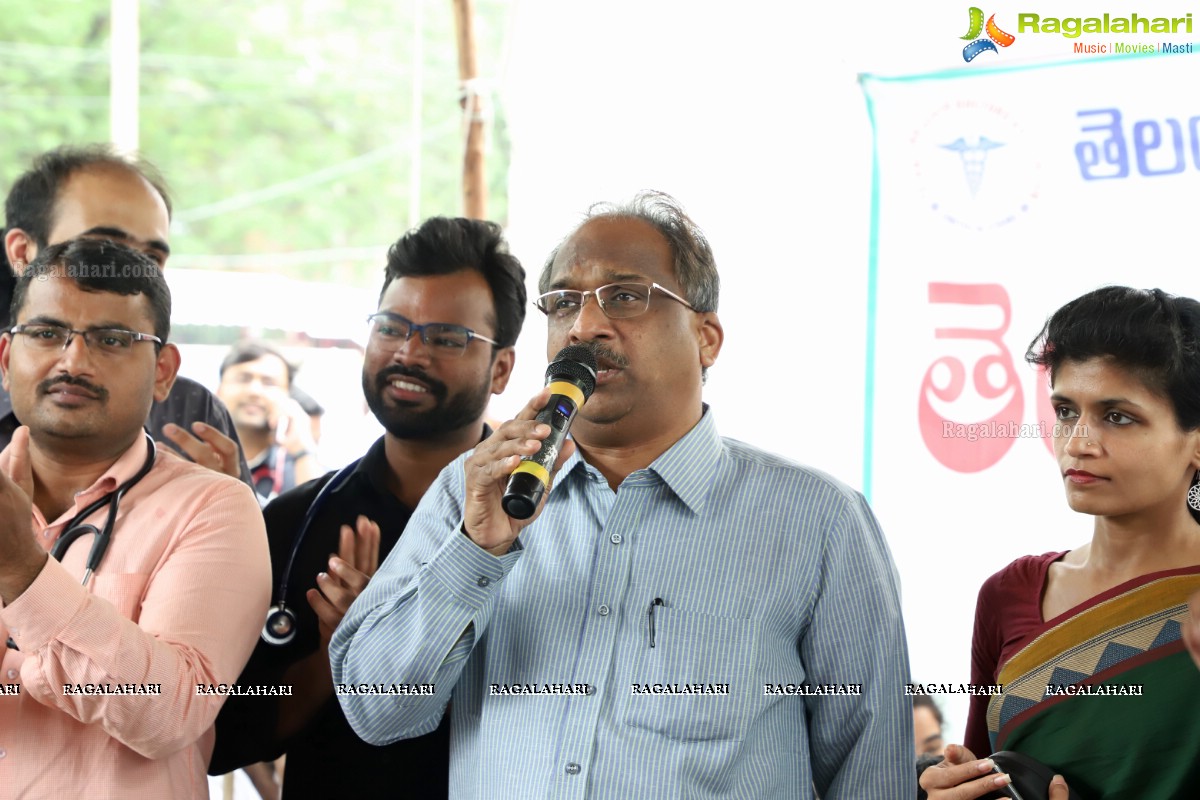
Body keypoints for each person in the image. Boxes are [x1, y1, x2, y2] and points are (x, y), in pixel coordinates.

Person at [330, 191, 912, 798]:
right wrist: (475, 552)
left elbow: (870, 771)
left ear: (707, 337)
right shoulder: (473, 492)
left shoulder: (819, 521)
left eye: (626, 297)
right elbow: (378, 714)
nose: (584, 326)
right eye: (562, 304)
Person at [210, 216, 525, 799]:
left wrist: (401, 636)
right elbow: (227, 735)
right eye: (392, 327)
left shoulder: (549, 517)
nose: (409, 353)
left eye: (446, 337)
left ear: (500, 368)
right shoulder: (294, 522)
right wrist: (336, 656)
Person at [0, 238, 270, 796]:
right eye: (47, 334)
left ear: (165, 371)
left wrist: (23, 571)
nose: (72, 361)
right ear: (6, 359)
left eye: (112, 339)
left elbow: (169, 711)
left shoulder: (214, 508)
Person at [921, 286, 1200, 799]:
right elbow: (986, 775)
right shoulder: (1008, 594)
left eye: (1117, 417)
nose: (1077, 444)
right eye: (1066, 411)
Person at [1, 144, 251, 482]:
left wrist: (220, 505)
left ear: (164, 371)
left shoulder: (191, 416)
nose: (131, 275)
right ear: (23, 253)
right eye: (101, 250)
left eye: (151, 258)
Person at [216, 341, 322, 504]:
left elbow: (319, 519)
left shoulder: (300, 466)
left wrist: (303, 451)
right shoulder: (192, 457)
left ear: (288, 397)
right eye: (243, 379)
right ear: (219, 391)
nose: (255, 391)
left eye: (269, 383)